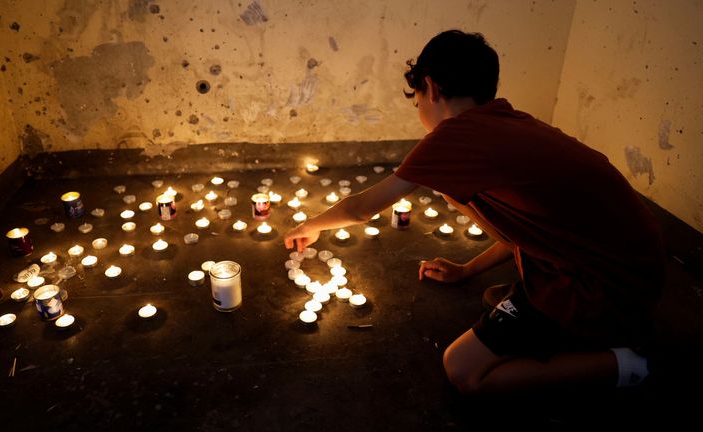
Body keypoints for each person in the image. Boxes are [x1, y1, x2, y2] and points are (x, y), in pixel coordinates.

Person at [283, 29, 665, 394]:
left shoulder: (454, 137)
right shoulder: (507, 122)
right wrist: (467, 270)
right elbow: (531, 230)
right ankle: (545, 308)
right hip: (634, 266)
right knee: (493, 295)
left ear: (430, 88)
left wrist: (311, 224)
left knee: (464, 370)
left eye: (417, 102)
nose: (420, 111)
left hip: (603, 286)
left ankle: (626, 364)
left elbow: (362, 208)